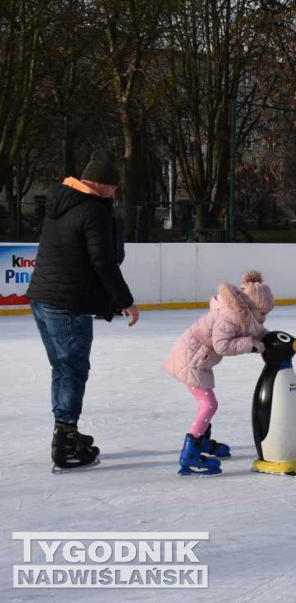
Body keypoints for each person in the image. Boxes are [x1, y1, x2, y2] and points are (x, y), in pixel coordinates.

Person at [26, 149, 140, 470]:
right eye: (113, 188)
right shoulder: (93, 211)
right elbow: (102, 262)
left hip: (42, 299)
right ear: (101, 184)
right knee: (73, 370)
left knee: (62, 369)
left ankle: (65, 432)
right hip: (67, 303)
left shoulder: (60, 202)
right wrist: (125, 301)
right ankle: (65, 442)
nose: (115, 194)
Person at [163, 270, 274, 476]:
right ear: (250, 308)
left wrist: (269, 339)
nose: (264, 319)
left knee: (208, 404)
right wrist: (251, 345)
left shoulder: (244, 315)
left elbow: (257, 330)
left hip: (198, 358)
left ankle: (203, 441)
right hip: (191, 359)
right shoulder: (229, 316)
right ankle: (190, 452)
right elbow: (222, 345)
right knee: (209, 405)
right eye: (262, 314)